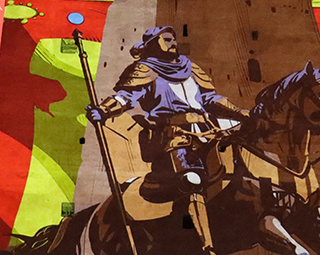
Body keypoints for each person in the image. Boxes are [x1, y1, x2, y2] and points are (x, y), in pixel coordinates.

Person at [87, 26, 248, 254]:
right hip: (174, 138)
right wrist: (103, 110)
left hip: (208, 131)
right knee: (191, 181)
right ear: (154, 43)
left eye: (173, 39)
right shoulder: (145, 69)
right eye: (167, 39)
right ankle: (206, 247)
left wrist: (239, 113)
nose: (173, 43)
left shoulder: (190, 68)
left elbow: (210, 98)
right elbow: (126, 97)